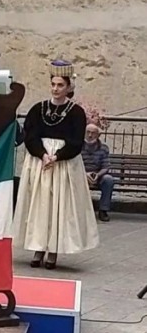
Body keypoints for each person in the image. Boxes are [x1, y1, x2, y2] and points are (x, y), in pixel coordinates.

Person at [13, 60, 99, 269]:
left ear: (68, 87)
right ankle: (38, 247)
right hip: (40, 163)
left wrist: (57, 156)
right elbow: (30, 134)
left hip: (63, 165)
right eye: (53, 84)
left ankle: (53, 250)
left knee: (58, 206)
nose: (55, 88)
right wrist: (42, 154)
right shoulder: (38, 109)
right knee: (39, 205)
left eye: (60, 85)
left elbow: (76, 141)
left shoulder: (76, 112)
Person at [82, 123, 113, 222]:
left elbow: (106, 166)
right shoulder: (78, 147)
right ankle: (80, 211)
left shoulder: (103, 148)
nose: (90, 135)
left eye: (93, 133)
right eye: (88, 132)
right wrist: (84, 175)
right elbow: (74, 165)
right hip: (81, 174)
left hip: (98, 175)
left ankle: (103, 210)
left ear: (98, 135)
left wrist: (97, 175)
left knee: (108, 179)